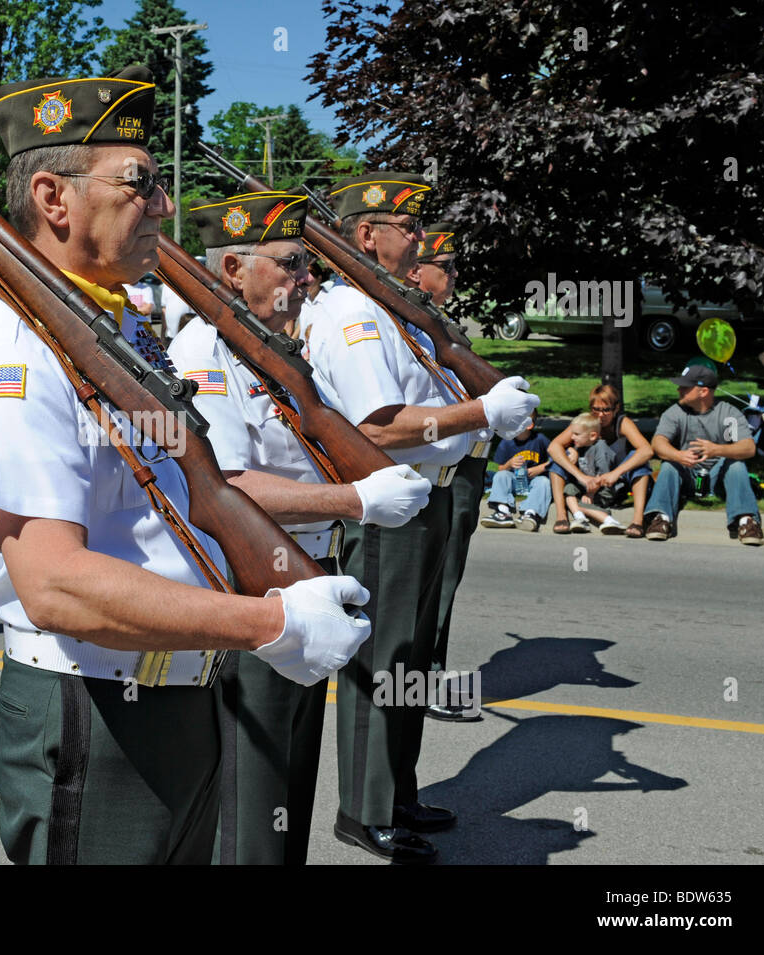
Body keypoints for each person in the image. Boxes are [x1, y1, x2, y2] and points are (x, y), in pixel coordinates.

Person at [0, 65, 372, 865]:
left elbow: (195, 489)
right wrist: (269, 623)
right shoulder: (15, 356)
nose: (166, 207)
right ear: (53, 199)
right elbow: (57, 582)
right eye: (141, 182)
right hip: (98, 710)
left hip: (178, 692)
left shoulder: (123, 336)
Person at [167, 190, 430, 864]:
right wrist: (356, 500)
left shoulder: (278, 349)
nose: (305, 277)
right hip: (259, 588)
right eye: (289, 263)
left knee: (289, 784)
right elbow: (228, 484)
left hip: (308, 575)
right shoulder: (206, 351)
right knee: (251, 804)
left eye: (306, 264)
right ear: (233, 271)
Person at [308, 171, 539, 862]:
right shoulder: (352, 314)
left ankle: (397, 791)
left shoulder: (395, 307)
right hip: (391, 502)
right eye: (405, 226)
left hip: (430, 497)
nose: (419, 236)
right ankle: (365, 808)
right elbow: (377, 425)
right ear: (365, 236)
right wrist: (480, 412)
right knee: (384, 659)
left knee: (411, 656)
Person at [405, 223, 496, 722]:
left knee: (448, 572)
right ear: (419, 271)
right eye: (447, 266)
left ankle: (425, 672)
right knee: (432, 581)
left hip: (466, 460)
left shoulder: (437, 322)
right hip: (443, 466)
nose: (456, 274)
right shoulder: (412, 322)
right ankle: (426, 676)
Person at [643, 362, 764, 544]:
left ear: (703, 391)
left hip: (719, 477)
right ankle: (661, 519)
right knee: (668, 464)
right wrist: (679, 456)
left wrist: (717, 449)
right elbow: (657, 443)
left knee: (736, 464)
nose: (679, 390)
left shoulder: (728, 413)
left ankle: (747, 522)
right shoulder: (675, 412)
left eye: (685, 387)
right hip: (686, 473)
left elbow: (748, 447)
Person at [547, 382, 653, 537]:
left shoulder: (622, 423)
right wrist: (579, 474)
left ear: (616, 408)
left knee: (639, 461)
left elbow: (646, 450)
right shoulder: (586, 423)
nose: (601, 415)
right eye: (596, 409)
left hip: (615, 483)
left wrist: (616, 473)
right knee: (558, 461)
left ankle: (637, 521)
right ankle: (561, 517)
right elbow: (553, 447)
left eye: (606, 410)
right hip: (586, 478)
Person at [480, 411, 552, 530]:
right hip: (514, 481)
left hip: (534, 480)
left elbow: (554, 458)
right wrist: (509, 464)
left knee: (544, 481)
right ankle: (503, 511)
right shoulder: (507, 441)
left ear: (529, 425)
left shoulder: (540, 439)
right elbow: (500, 468)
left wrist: (540, 468)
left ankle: (530, 513)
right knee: (502, 475)